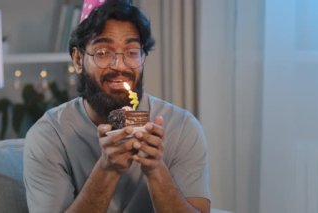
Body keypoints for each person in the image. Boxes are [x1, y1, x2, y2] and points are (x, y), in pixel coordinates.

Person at [23, 0, 211, 212]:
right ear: (77, 59)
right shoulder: (49, 136)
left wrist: (156, 169)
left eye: (131, 52)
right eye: (103, 52)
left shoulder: (182, 127)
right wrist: (107, 168)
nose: (119, 66)